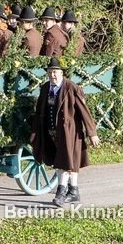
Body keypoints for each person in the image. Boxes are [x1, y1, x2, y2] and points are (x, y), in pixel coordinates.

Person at [30, 57, 100, 207]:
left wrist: (92, 133)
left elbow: (84, 111)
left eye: (55, 72)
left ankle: (60, 194)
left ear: (62, 73)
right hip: (51, 133)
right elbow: (39, 112)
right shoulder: (45, 88)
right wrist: (35, 133)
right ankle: (74, 192)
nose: (52, 75)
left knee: (64, 162)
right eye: (50, 72)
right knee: (68, 162)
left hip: (70, 133)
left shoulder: (72, 88)